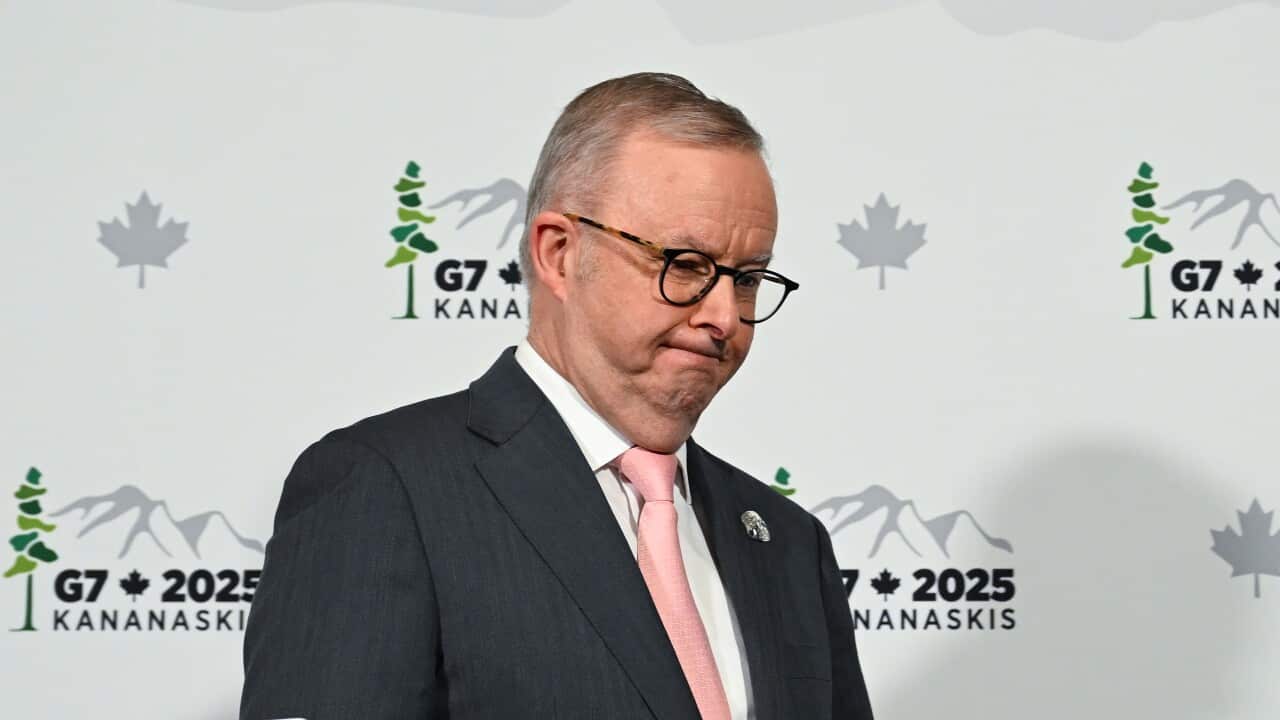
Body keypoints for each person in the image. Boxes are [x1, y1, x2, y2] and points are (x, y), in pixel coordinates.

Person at [240, 71, 873, 720]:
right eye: (685, 265)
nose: (724, 316)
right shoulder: (384, 488)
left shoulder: (791, 544)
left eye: (747, 279)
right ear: (560, 252)